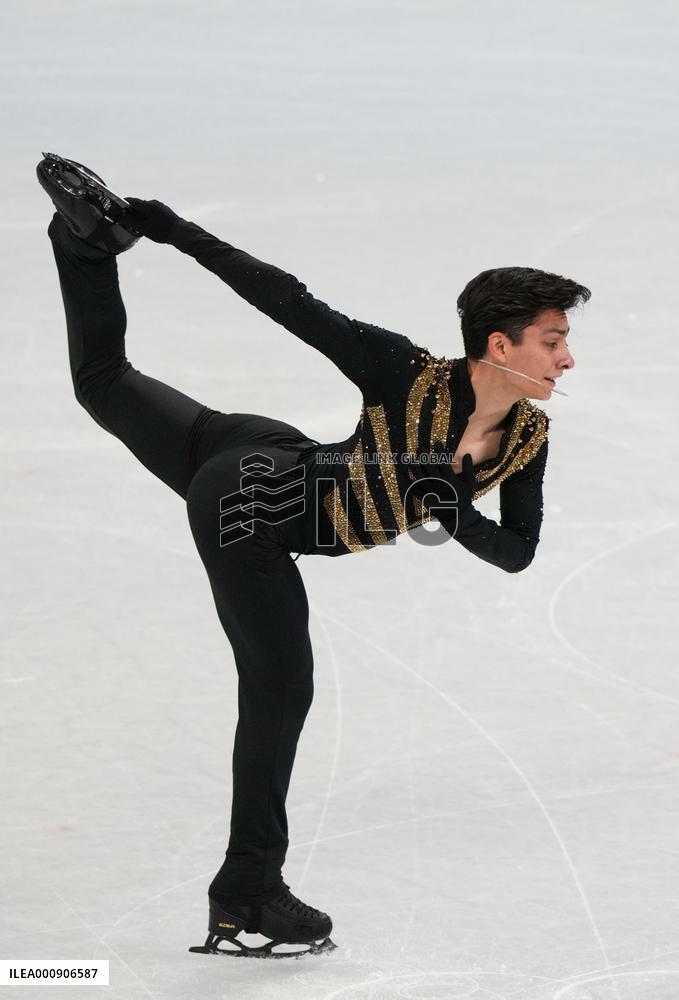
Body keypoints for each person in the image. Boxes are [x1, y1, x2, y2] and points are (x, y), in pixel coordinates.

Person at [36, 153, 590, 959]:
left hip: (268, 451)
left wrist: (450, 513)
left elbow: (517, 554)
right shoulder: (406, 375)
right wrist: (172, 230)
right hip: (252, 509)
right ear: (499, 343)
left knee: (104, 382)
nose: (566, 359)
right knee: (280, 686)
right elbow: (289, 302)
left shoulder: (529, 438)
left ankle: (81, 241)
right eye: (551, 341)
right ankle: (249, 890)